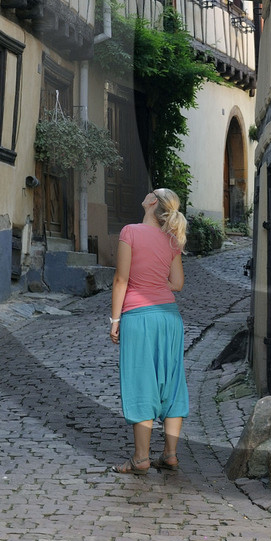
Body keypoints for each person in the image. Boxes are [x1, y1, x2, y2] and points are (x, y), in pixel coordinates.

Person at [109, 187, 190, 474]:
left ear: (152, 202)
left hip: (138, 316)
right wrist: (156, 284)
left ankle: (141, 458)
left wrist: (115, 320)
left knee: (142, 381)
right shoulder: (171, 239)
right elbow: (177, 283)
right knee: (172, 382)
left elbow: (121, 279)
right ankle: (169, 454)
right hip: (169, 318)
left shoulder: (130, 232)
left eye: (150, 192)